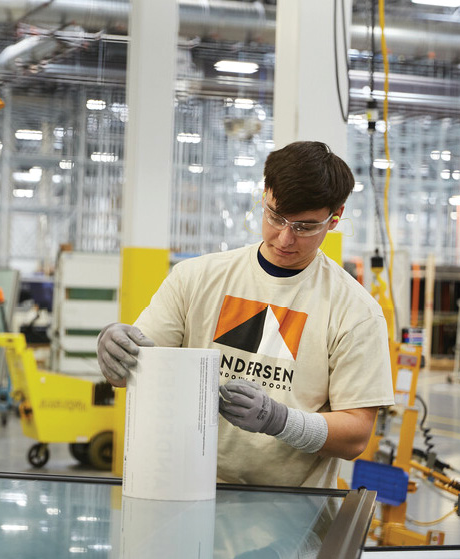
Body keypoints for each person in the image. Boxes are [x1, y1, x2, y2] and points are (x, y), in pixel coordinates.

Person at [97, 140, 395, 489]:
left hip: (288, 509)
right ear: (264, 195)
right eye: (275, 217)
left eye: (304, 226)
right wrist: (114, 351)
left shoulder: (355, 311)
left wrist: (280, 421)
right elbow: (134, 371)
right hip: (183, 487)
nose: (285, 238)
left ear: (335, 219)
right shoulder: (196, 278)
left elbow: (356, 435)